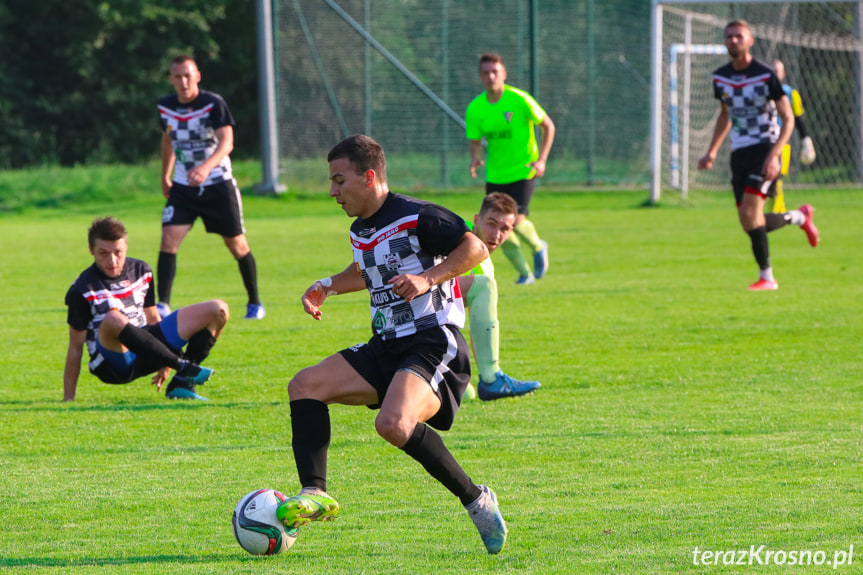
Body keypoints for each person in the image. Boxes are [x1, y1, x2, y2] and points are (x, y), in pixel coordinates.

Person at [275, 135, 508, 554]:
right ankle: (315, 492)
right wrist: (327, 285)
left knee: (393, 424)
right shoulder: (360, 229)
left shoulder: (419, 216)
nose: (332, 191)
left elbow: (473, 247)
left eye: (338, 180)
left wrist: (427, 279)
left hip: (433, 342)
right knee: (304, 385)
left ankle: (476, 500)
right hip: (386, 345)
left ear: (368, 177)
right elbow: (369, 271)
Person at [697, 20, 819, 291]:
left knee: (753, 212)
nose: (734, 41)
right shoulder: (720, 77)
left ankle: (767, 277)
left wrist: (775, 156)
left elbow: (788, 119)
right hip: (739, 153)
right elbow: (725, 115)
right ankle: (799, 217)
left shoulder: (765, 75)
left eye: (739, 36)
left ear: (750, 40)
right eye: (729, 37)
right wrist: (712, 151)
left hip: (766, 148)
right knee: (749, 221)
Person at [64, 217, 229, 401]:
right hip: (113, 364)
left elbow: (152, 317)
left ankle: (181, 383)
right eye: (103, 253)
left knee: (218, 310)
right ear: (91, 250)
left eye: (118, 252)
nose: (112, 260)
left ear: (126, 246)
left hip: (148, 350)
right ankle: (182, 366)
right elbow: (75, 347)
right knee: (113, 319)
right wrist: (68, 399)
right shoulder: (81, 290)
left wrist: (164, 361)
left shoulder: (142, 270)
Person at [157, 55, 265, 320]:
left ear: (198, 76)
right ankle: (162, 305)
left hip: (218, 184)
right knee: (168, 239)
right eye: (178, 76)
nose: (183, 81)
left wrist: (205, 168)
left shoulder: (212, 103)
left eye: (187, 75)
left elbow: (226, 142)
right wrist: (165, 175)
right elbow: (168, 141)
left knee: (237, 245)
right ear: (171, 79)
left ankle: (254, 302)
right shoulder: (165, 107)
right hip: (183, 187)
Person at [466, 52, 555, 285]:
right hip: (496, 174)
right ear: (480, 76)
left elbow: (548, 125)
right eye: (486, 72)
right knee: (493, 226)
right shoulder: (476, 108)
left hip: (523, 171)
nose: (490, 76)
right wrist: (475, 158)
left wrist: (542, 159)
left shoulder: (519, 100)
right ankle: (524, 274)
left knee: (513, 222)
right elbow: (474, 142)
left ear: (504, 74)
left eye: (495, 71)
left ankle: (537, 246)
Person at [459, 192, 541, 401]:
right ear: (477, 220)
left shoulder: (485, 265)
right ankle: (491, 377)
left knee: (465, 393)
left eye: (504, 229)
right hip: (410, 325)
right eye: (491, 224)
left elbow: (478, 328)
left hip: (431, 329)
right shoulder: (457, 236)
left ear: (511, 231)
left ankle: (489, 377)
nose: (496, 234)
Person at [768, 59, 817, 213]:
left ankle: (778, 210)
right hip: (763, 140)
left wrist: (806, 139)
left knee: (777, 175)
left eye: (778, 71)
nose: (775, 73)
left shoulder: (790, 93)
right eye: (772, 70)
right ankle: (772, 210)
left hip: (781, 140)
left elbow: (798, 118)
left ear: (783, 74)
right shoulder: (760, 91)